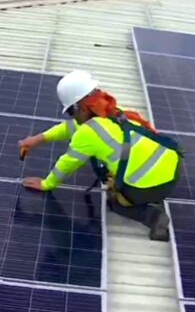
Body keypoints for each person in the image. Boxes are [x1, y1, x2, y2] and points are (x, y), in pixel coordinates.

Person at [19, 70, 183, 242]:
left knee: (114, 202)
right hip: (173, 169)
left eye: (71, 112)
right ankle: (146, 192)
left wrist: (47, 184)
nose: (72, 117)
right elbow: (71, 127)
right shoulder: (110, 113)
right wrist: (38, 139)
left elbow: (66, 163)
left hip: (152, 185)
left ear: (80, 108)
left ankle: (154, 217)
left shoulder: (89, 132)